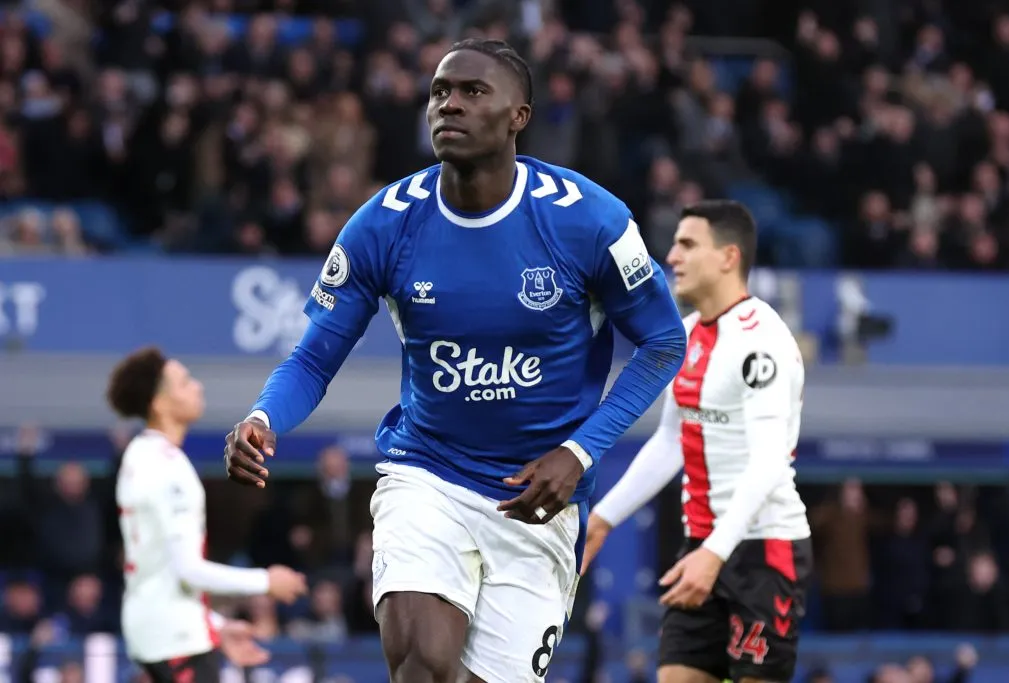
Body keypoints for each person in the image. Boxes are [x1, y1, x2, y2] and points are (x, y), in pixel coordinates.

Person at [223, 38, 687, 683]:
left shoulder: (590, 221)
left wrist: (579, 452)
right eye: (441, 92)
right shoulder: (382, 225)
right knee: (424, 664)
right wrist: (264, 417)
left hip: (537, 499)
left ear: (518, 116)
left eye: (473, 93)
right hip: (427, 474)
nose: (450, 106)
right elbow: (313, 358)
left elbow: (665, 344)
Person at [582, 201, 812, 683]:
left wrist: (716, 552)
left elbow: (770, 460)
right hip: (701, 545)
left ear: (729, 257)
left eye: (687, 244)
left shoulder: (762, 341)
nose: (672, 256)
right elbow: (670, 442)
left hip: (763, 549)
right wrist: (603, 518)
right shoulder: (685, 336)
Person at [107, 346, 308, 683]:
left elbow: (162, 573)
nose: (197, 387)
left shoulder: (138, 456)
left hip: (157, 634)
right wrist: (266, 582)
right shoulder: (169, 468)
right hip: (175, 642)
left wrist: (215, 628)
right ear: (159, 403)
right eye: (185, 383)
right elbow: (189, 571)